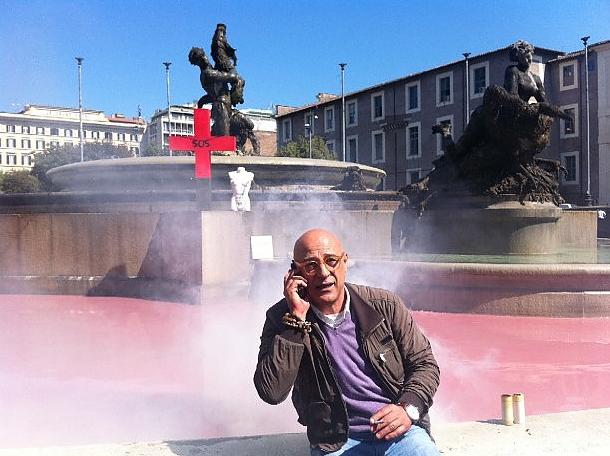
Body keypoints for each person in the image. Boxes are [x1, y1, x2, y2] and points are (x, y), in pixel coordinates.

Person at [254, 229, 440, 455]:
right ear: (295, 271)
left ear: (345, 262)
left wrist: (408, 408)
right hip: (336, 440)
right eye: (311, 265)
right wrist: (295, 321)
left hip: (402, 435)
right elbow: (271, 392)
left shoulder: (384, 305)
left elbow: (424, 364)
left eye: (331, 261)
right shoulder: (280, 318)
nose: (324, 273)